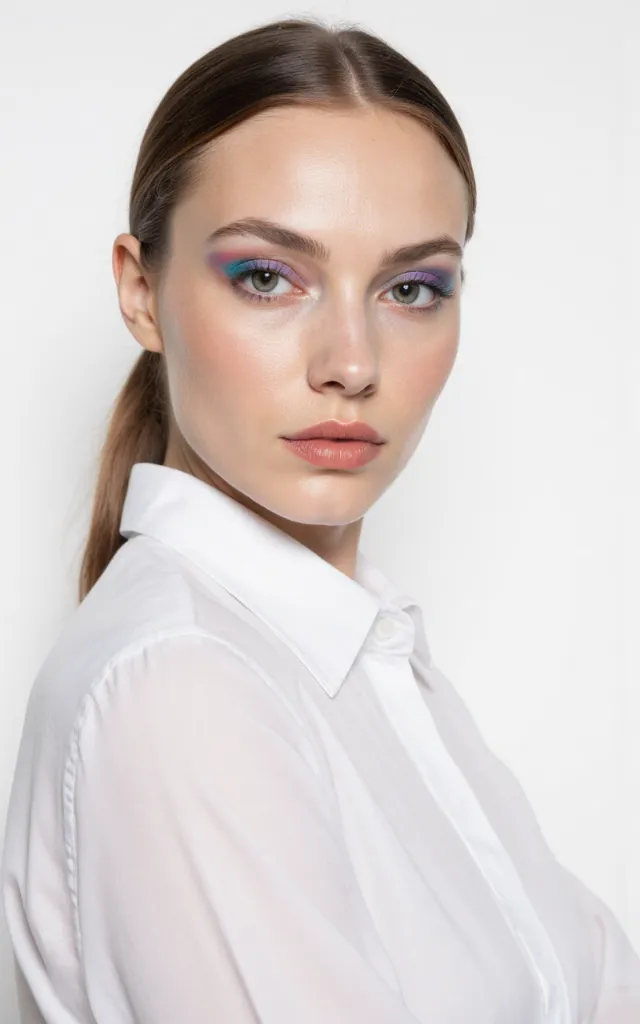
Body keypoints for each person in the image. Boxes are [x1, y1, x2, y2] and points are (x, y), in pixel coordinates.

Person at [2, 15, 639, 1024]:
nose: (351, 361)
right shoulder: (182, 685)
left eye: (410, 287)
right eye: (267, 277)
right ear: (140, 291)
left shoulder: (368, 659)